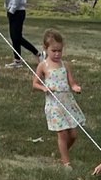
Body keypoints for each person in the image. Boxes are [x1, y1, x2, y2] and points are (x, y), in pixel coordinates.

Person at [32, 28, 85, 167]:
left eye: (59, 51)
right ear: (45, 48)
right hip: (54, 105)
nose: (57, 54)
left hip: (67, 102)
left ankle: (63, 154)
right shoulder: (43, 66)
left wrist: (75, 88)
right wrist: (45, 88)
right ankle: (66, 163)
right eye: (53, 51)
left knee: (73, 135)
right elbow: (35, 83)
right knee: (62, 134)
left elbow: (72, 83)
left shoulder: (65, 65)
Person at [0, 0, 40, 67]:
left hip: (17, 12)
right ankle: (17, 60)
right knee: (15, 37)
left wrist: (11, 10)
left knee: (16, 37)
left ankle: (37, 53)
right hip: (18, 11)